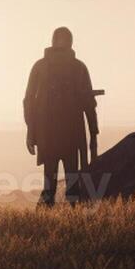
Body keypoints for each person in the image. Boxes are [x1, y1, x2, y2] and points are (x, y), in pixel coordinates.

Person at [23, 27, 99, 207]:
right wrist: (31, 132)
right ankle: (54, 218)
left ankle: (64, 218)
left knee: (62, 182)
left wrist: (94, 133)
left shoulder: (76, 67)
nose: (63, 43)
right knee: (58, 181)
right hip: (57, 135)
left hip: (61, 134)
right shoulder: (44, 67)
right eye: (61, 39)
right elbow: (29, 101)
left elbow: (88, 101)